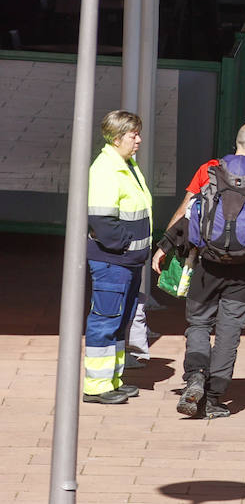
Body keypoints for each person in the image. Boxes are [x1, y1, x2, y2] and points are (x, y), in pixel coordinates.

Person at [153, 122, 245, 419]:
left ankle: (195, 377)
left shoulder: (208, 170)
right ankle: (214, 398)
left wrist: (165, 246)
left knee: (199, 324)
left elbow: (186, 212)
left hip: (207, 264)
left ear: (237, 143)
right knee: (229, 332)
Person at [82, 110, 153, 404]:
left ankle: (112, 380)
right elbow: (102, 221)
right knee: (105, 320)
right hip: (114, 261)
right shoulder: (106, 169)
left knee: (119, 320)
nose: (138, 139)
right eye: (133, 134)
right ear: (116, 137)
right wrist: (125, 246)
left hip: (127, 262)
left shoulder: (126, 165)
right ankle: (97, 387)